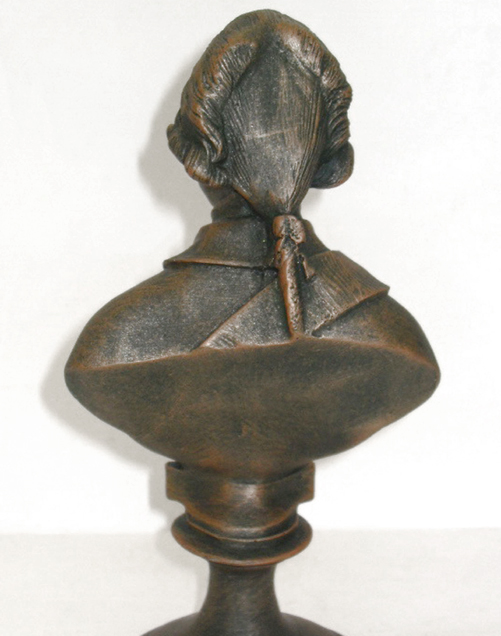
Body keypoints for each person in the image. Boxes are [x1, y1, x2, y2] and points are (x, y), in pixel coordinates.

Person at [66, 11, 439, 479]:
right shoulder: (396, 340)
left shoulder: (112, 345)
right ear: (329, 164)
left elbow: (92, 372)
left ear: (195, 159)